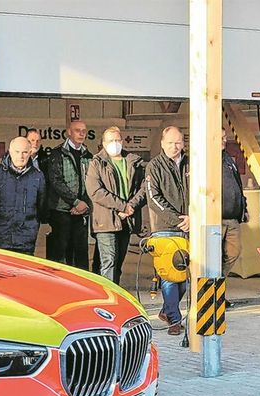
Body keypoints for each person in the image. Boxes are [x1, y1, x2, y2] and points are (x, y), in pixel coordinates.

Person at [86, 126, 146, 284]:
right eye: (111, 141)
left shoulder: (133, 161)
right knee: (109, 263)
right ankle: (108, 299)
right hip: (106, 222)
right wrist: (122, 206)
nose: (115, 143)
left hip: (127, 221)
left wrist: (131, 206)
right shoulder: (96, 163)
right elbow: (95, 191)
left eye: (117, 140)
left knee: (118, 263)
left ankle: (113, 294)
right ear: (103, 143)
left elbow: (144, 188)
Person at [145, 126, 190, 336]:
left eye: (179, 142)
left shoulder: (190, 163)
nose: (175, 146)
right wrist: (177, 219)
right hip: (165, 229)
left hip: (189, 227)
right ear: (162, 144)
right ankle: (174, 319)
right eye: (171, 142)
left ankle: (166, 310)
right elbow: (153, 199)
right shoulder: (154, 166)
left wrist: (193, 218)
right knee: (170, 277)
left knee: (184, 279)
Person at [0, 136, 45, 254]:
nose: (21, 156)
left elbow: (41, 205)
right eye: (17, 152)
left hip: (26, 238)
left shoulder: (38, 176)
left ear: (30, 153)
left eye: (25, 152)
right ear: (10, 151)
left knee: (23, 271)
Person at [45, 120, 94, 268]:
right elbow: (56, 181)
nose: (81, 133)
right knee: (60, 255)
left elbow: (92, 182)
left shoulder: (88, 155)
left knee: (80, 255)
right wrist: (75, 202)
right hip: (61, 212)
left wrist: (85, 204)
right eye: (77, 130)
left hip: (81, 213)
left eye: (84, 131)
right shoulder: (57, 154)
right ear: (69, 132)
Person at [220, 129, 248, 286]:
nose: (224, 140)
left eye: (225, 137)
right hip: (216, 218)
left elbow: (237, 185)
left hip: (233, 218)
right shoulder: (204, 159)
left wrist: (243, 206)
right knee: (214, 257)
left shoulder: (228, 159)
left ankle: (218, 286)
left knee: (233, 252)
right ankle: (215, 293)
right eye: (220, 137)